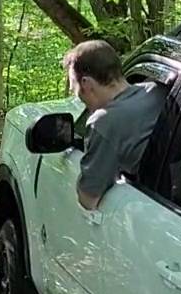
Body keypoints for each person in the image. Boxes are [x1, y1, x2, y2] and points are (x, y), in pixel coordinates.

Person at [63, 39, 165, 211]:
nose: (78, 96)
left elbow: (89, 200)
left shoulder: (104, 122)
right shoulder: (157, 91)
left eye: (76, 89)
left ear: (86, 83)